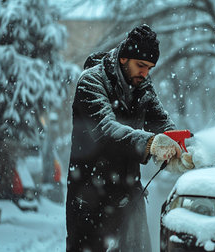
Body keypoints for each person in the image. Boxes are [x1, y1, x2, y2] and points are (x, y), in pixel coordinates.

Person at [66, 24, 194, 252]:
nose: (145, 73)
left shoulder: (142, 86)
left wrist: (179, 147)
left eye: (150, 68)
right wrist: (151, 143)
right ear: (124, 58)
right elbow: (106, 130)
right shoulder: (90, 82)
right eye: (141, 66)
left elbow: (161, 122)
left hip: (129, 198)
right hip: (91, 201)